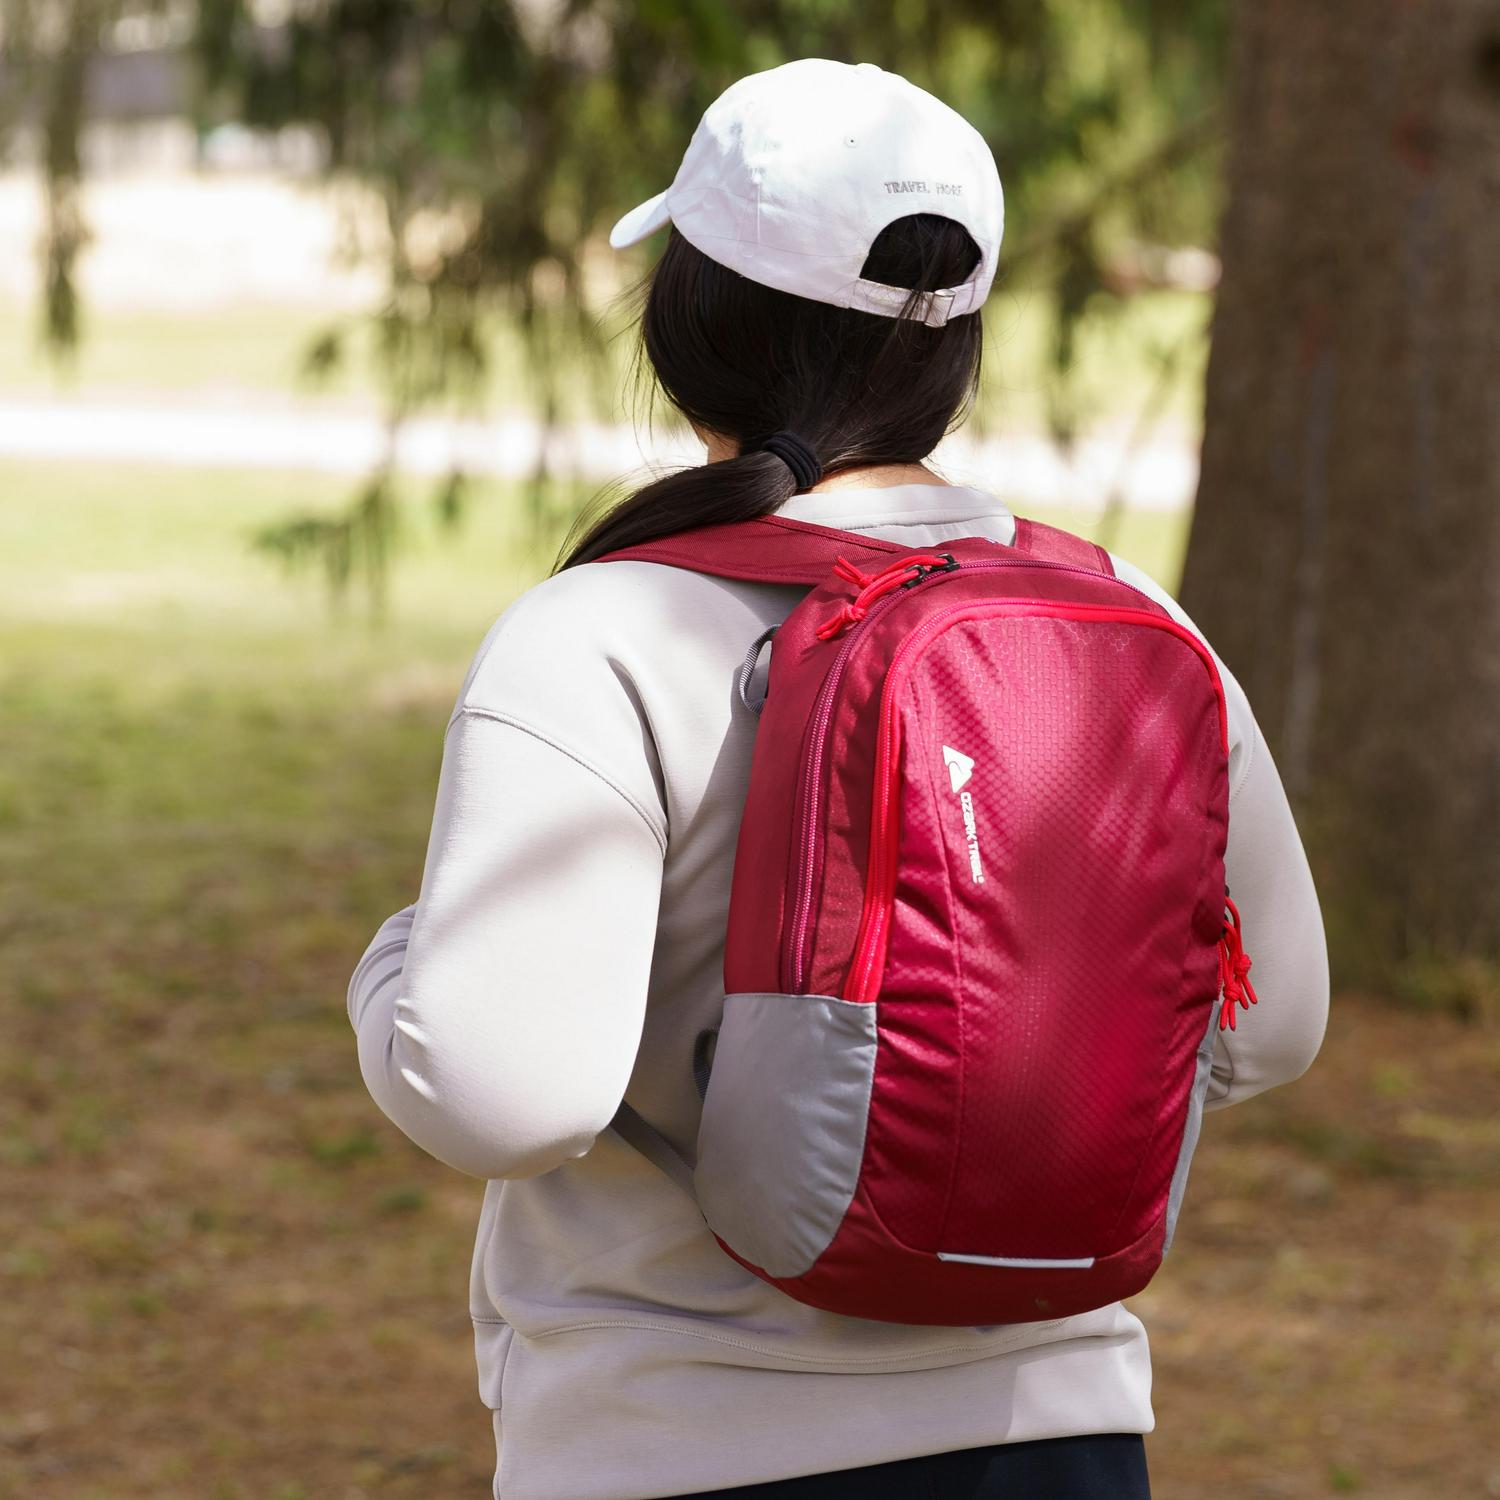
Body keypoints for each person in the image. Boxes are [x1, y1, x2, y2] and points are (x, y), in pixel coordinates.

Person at [347, 59, 1329, 1500]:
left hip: (676, 1448)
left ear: (689, 322)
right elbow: (1274, 1026)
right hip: (1060, 1439)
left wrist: (393, 968)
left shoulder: (604, 634)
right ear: (953, 344)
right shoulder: (1135, 620)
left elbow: (503, 1096)